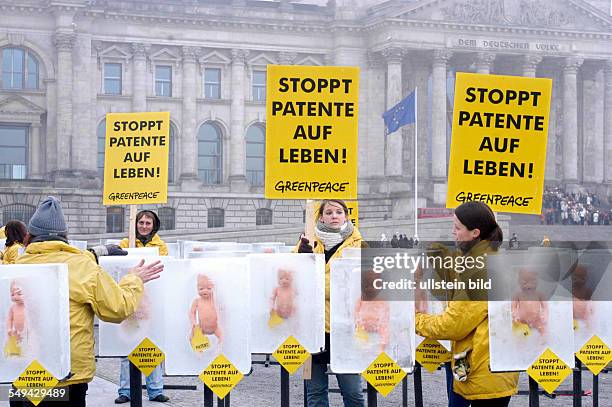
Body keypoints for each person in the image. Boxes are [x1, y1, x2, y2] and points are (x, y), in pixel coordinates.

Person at [11, 196, 163, 407]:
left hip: (25, 371)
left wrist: (92, 254)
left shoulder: (15, 265)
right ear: (65, 236)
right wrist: (134, 279)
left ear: (30, 236)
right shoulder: (82, 265)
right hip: (67, 375)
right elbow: (118, 308)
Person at [416, 201, 518, 406]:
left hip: (482, 371)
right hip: (488, 368)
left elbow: (452, 325)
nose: (452, 232)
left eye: (457, 227)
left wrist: (416, 319)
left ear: (474, 233)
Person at [298, 199, 365, 407]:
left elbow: (353, 285)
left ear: (346, 216)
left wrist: (316, 282)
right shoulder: (306, 242)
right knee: (315, 393)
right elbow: (295, 282)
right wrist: (301, 259)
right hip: (313, 328)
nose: (334, 216)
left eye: (338, 212)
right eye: (329, 212)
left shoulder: (359, 246)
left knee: (352, 392)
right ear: (321, 217)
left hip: (345, 329)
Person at [116, 209, 169, 403]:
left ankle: (155, 389)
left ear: (154, 225)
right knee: (127, 346)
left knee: (152, 345)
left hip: (151, 300)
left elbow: (164, 271)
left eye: (148, 223)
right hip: (130, 298)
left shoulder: (161, 246)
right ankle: (126, 391)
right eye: (141, 222)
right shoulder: (124, 243)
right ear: (135, 224)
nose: (144, 226)